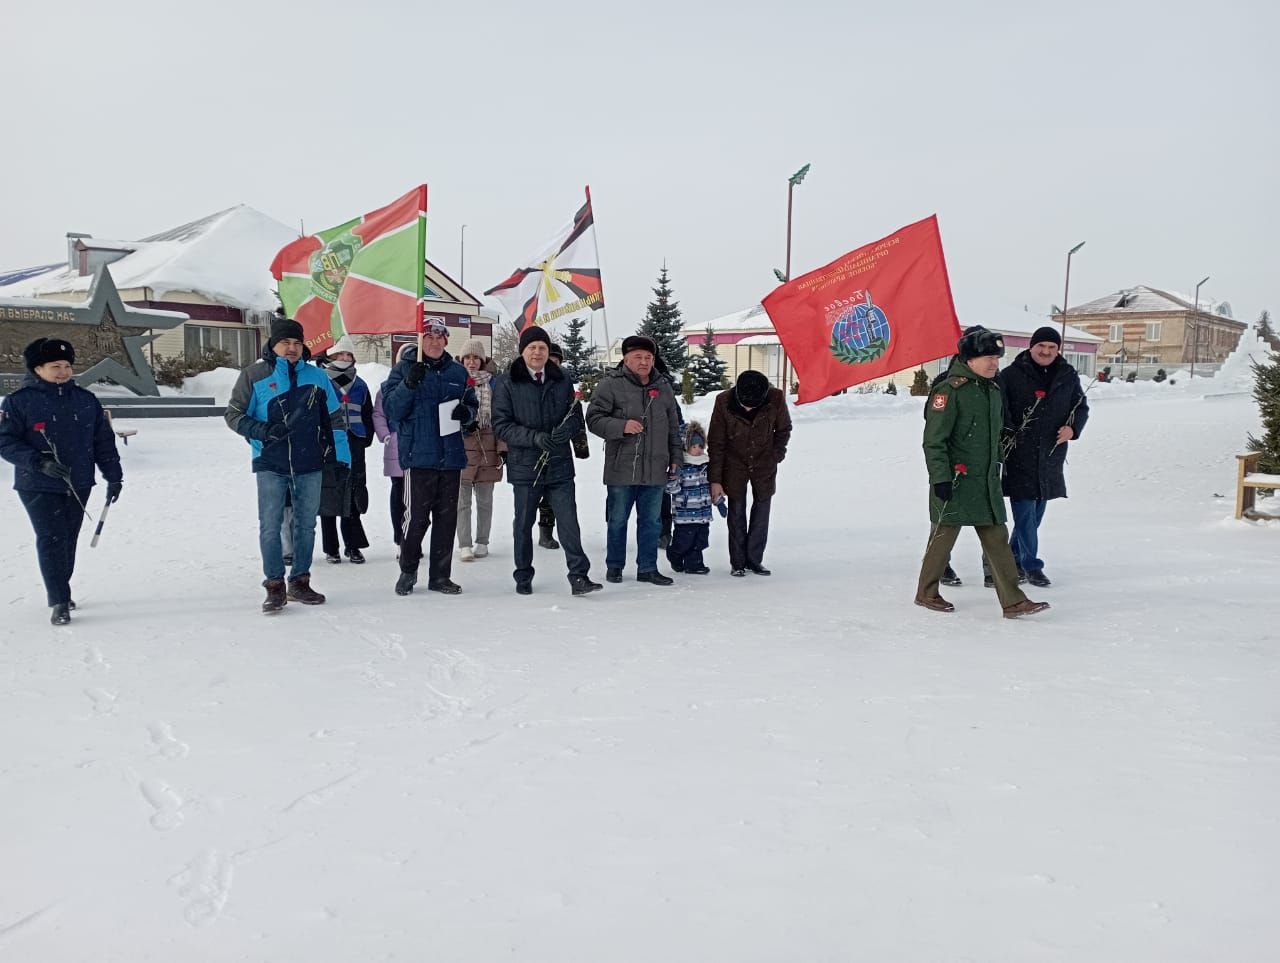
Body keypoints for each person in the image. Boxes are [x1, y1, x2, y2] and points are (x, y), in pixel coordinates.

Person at [915, 326, 1049, 619]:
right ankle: (926, 592)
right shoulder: (950, 390)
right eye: (988, 357)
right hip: (956, 480)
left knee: (997, 538)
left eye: (997, 358)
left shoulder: (992, 389)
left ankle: (1013, 601)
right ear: (970, 359)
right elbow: (934, 440)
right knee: (942, 540)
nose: (994, 363)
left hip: (986, 480)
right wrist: (940, 478)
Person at [225, 315, 350, 612]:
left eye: (296, 342)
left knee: (306, 526)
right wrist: (263, 431)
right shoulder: (254, 375)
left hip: (310, 461)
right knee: (270, 526)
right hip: (270, 461)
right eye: (285, 342)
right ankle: (274, 585)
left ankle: (299, 581)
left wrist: (342, 458)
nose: (291, 348)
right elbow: (233, 415)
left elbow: (334, 420)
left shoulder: (317, 377)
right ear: (273, 344)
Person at [0, 337, 123, 625]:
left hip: (78, 481)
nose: (63, 372)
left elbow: (102, 441)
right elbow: (5, 441)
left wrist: (114, 476)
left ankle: (61, 589)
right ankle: (58, 600)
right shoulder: (19, 402)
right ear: (37, 369)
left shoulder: (85, 400)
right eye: (55, 366)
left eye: (67, 366)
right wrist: (38, 461)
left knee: (68, 540)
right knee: (51, 538)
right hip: (37, 484)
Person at [491, 325, 601, 596]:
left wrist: (569, 428)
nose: (538, 352)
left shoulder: (561, 377)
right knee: (523, 523)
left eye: (542, 347)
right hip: (526, 465)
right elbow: (501, 425)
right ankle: (523, 574)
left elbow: (575, 413)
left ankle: (579, 575)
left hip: (559, 463)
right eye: (532, 347)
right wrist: (534, 438)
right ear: (523, 351)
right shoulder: (508, 381)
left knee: (568, 522)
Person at [382, 320, 476, 597]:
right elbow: (393, 410)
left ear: (446, 341)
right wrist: (409, 383)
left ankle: (440, 576)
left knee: (447, 521)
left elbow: (471, 404)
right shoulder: (402, 370)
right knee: (416, 519)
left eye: (439, 337)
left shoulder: (458, 372)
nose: (434, 342)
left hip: (451, 457)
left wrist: (466, 414)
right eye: (428, 337)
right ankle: (408, 571)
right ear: (420, 341)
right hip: (418, 456)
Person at [996, 325, 1090, 587]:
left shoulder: (1067, 375)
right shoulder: (1011, 375)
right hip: (1021, 455)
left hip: (1051, 454)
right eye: (1041, 346)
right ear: (1031, 347)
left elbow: (1080, 407)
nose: (1046, 351)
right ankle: (1031, 565)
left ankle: (1012, 557)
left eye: (1051, 347)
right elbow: (1002, 412)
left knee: (1036, 513)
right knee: (1025, 511)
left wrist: (1073, 429)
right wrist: (1011, 436)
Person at [586, 334, 683, 585]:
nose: (644, 362)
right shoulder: (610, 385)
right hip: (621, 467)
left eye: (648, 357)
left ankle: (648, 568)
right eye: (638, 357)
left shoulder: (663, 387)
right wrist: (621, 426)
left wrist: (676, 458)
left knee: (651, 521)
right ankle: (615, 566)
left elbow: (674, 427)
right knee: (617, 520)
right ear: (626, 359)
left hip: (655, 467)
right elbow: (594, 419)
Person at [707, 369, 792, 577]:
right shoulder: (723, 401)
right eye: (745, 403)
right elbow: (716, 442)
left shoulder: (776, 399)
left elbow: (784, 429)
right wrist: (715, 479)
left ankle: (755, 560)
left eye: (753, 404)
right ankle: (737, 563)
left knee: (762, 509)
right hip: (733, 463)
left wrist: (776, 455)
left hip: (764, 463)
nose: (748, 407)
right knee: (736, 511)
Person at [317, 335, 375, 564]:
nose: (344, 358)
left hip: (354, 441)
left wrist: (367, 436)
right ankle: (331, 547)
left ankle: (353, 545)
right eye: (340, 354)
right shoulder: (321, 380)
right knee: (329, 492)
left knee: (353, 491)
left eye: (348, 354)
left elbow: (367, 413)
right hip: (328, 443)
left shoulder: (360, 384)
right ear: (330, 356)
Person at [455, 338, 504, 561]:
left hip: (488, 445)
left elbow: (503, 416)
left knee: (485, 500)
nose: (472, 362)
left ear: (483, 361)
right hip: (463, 443)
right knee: (461, 500)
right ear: (462, 360)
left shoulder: (494, 384)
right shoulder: (455, 381)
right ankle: (464, 544)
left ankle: (482, 541)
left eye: (476, 358)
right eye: (468, 357)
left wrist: (503, 448)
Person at [665, 420, 714, 574]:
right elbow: (671, 489)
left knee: (700, 540)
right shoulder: (681, 465)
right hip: (684, 513)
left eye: (700, 446)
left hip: (703, 513)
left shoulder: (705, 464)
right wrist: (673, 479)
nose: (698, 450)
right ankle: (675, 554)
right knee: (684, 541)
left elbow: (709, 485)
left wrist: (718, 501)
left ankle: (695, 564)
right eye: (694, 446)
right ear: (686, 446)